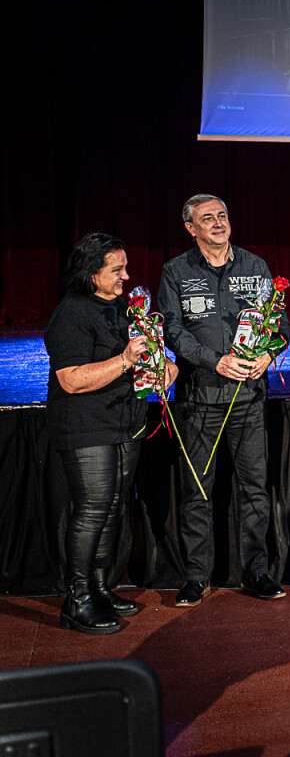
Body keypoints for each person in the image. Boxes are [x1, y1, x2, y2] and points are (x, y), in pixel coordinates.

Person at [159, 194, 290, 606]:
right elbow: (173, 332)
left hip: (249, 399)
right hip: (199, 400)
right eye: (207, 218)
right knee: (198, 490)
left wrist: (268, 353)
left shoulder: (255, 266)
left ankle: (257, 571)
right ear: (191, 228)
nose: (218, 223)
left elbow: (281, 322)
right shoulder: (176, 271)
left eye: (222, 216)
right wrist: (215, 362)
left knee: (254, 489)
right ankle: (198, 576)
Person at [45, 233, 178, 633]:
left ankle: (101, 587)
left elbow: (156, 360)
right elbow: (71, 379)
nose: (126, 276)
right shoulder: (71, 314)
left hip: (126, 422)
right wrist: (123, 360)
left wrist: (164, 369)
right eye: (116, 269)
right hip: (86, 426)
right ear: (91, 274)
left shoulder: (124, 308)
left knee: (114, 506)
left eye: (125, 266)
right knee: (91, 511)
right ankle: (78, 598)